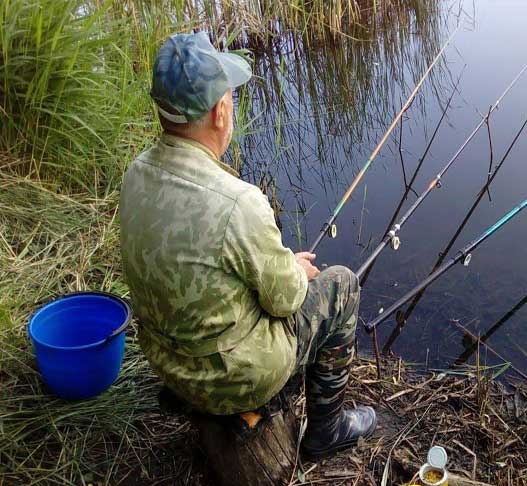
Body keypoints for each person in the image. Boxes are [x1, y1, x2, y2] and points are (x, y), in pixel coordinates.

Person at [119, 32, 376, 459]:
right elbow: (286, 299)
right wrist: (297, 271)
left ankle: (201, 401)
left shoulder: (135, 175)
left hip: (167, 366)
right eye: (231, 98)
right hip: (232, 381)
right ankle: (326, 431)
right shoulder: (238, 201)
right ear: (220, 112)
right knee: (342, 286)